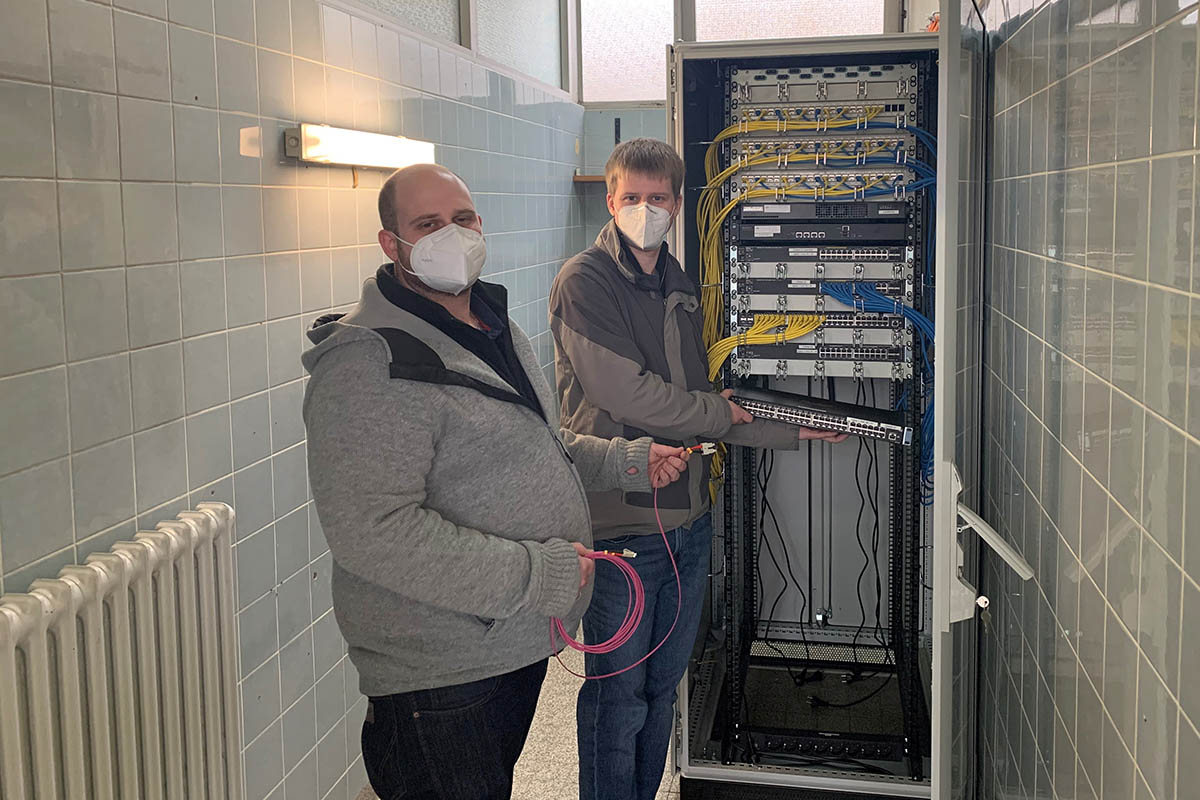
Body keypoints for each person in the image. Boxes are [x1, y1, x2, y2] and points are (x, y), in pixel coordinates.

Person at [302, 163, 690, 800]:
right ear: (390, 243)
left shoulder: (490, 323)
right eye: (427, 225)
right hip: (441, 675)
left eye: (462, 219)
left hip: (507, 644)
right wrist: (542, 576)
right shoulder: (371, 362)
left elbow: (536, 443)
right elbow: (373, 533)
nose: (450, 235)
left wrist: (626, 460)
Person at [549, 138, 848, 800]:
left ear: (678, 204)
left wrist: (789, 429)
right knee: (618, 699)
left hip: (688, 520)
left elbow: (711, 406)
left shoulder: (678, 281)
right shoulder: (585, 282)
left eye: (658, 199)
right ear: (610, 198)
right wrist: (724, 415)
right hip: (624, 523)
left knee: (660, 694)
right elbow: (629, 395)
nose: (645, 210)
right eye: (632, 198)